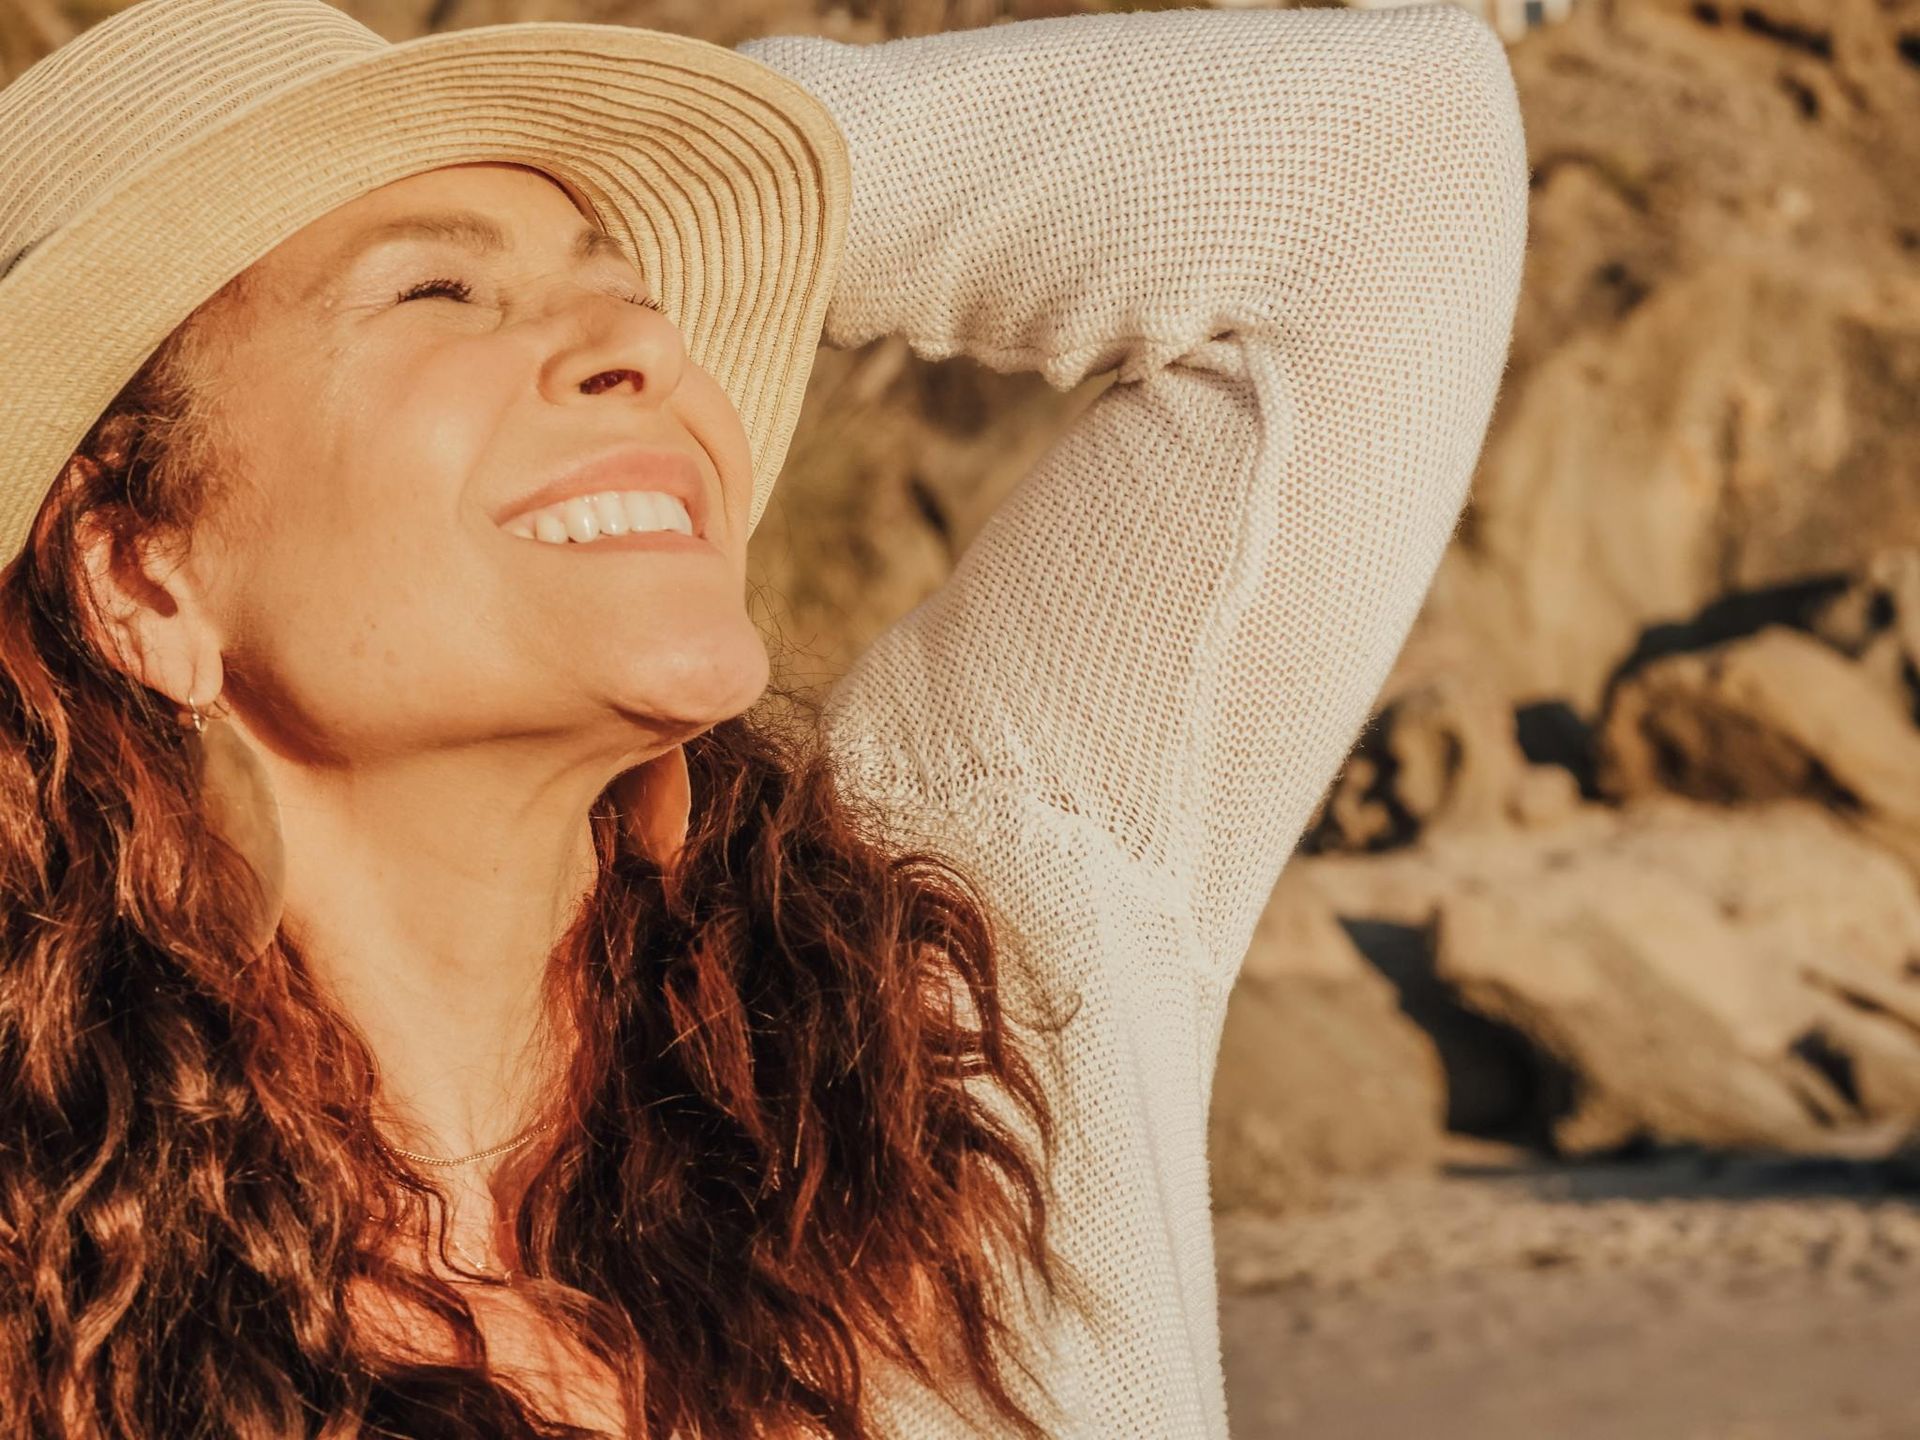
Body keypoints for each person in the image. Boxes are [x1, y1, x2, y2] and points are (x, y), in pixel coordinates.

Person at [0, 0, 1528, 1434]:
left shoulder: (958, 989)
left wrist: (730, 157)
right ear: (140, 568)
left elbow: (1385, 160)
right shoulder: (50, 1294)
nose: (647, 346)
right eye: (436, 289)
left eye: (636, 293)